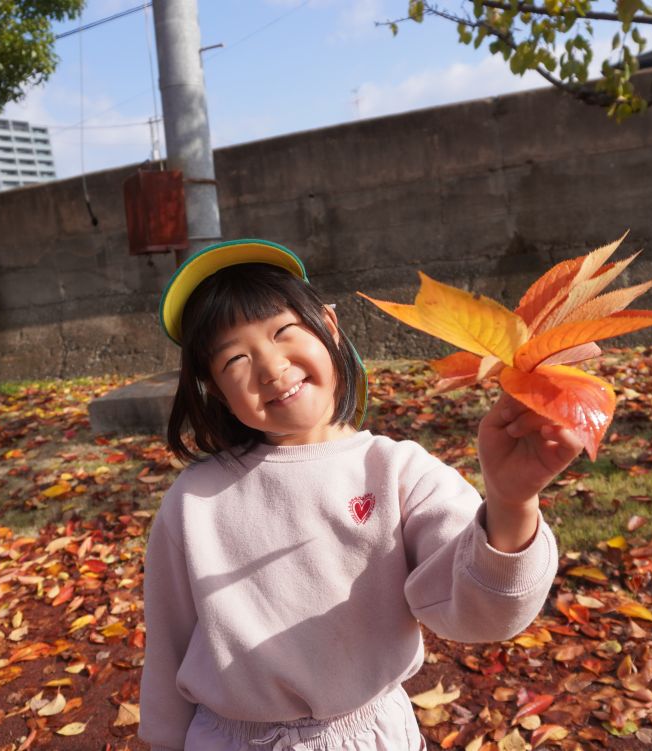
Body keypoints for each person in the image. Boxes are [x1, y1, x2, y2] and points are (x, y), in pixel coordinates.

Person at [139, 239, 582, 751]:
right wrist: (163, 739)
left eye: (284, 331)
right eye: (235, 359)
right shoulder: (193, 501)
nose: (271, 367)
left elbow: (482, 610)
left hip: (369, 735)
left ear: (328, 326)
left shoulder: (397, 471)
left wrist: (510, 502)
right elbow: (168, 643)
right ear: (215, 390)